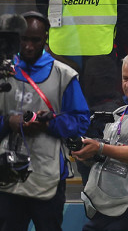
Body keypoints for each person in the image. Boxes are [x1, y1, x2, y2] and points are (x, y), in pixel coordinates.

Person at [0, 12, 89, 231]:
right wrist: (9, 122)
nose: (28, 46)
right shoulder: (4, 72)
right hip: (7, 178)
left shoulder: (63, 75)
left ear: (46, 38)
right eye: (23, 39)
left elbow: (80, 121)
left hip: (47, 178)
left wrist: (50, 123)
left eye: (35, 40)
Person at [75, 53, 128, 231]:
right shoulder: (121, 112)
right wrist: (88, 153)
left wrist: (100, 148)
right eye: (125, 78)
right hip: (110, 202)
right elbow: (113, 151)